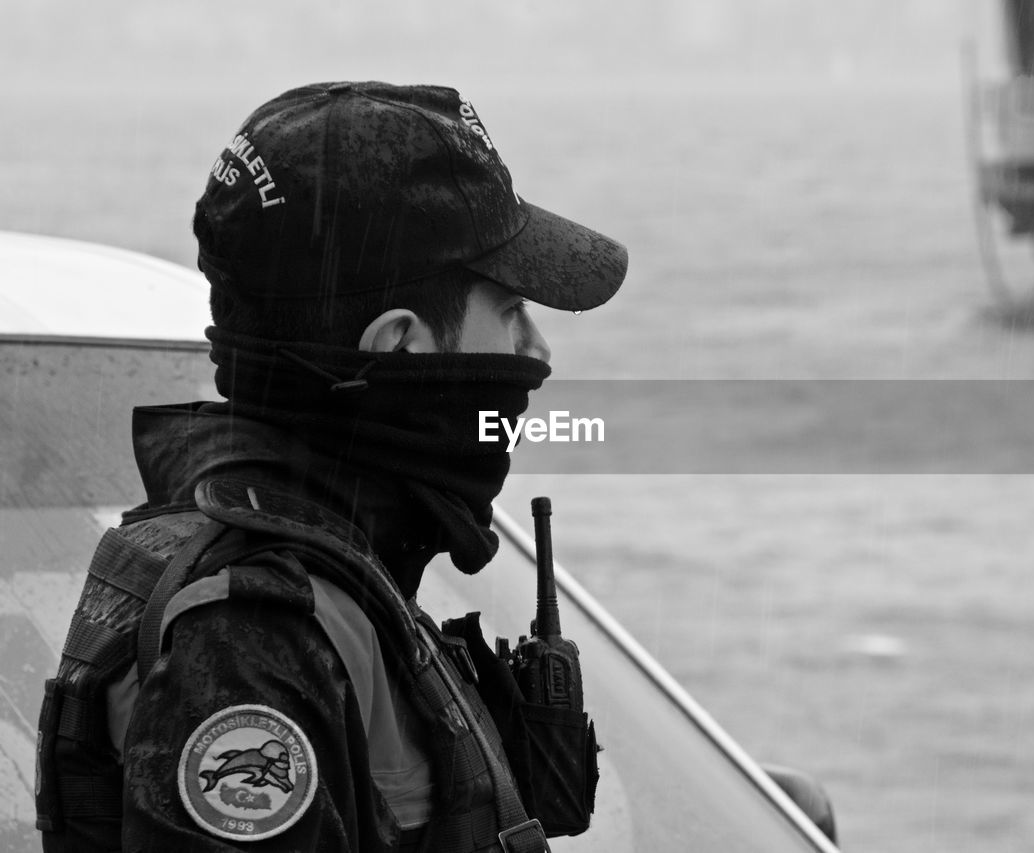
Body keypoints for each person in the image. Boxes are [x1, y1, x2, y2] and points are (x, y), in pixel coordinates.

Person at [35, 81, 626, 852]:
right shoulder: (251, 641)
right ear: (400, 345)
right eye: (511, 313)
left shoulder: (333, 574)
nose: (537, 352)